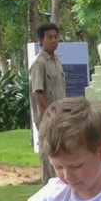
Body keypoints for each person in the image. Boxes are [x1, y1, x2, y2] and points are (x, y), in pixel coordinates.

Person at [28, 22, 66, 181]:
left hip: (60, 117)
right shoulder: (39, 63)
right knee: (48, 155)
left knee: (60, 154)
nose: (53, 40)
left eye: (56, 37)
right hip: (47, 119)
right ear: (41, 41)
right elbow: (38, 92)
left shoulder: (56, 60)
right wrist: (48, 115)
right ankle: (48, 193)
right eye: (49, 37)